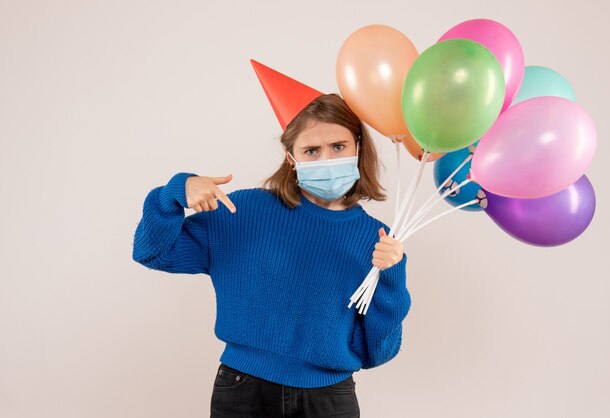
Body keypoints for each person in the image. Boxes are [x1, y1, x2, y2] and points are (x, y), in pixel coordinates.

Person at [132, 61, 411, 418]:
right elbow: (153, 252)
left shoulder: (377, 241)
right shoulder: (243, 212)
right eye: (312, 151)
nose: (327, 159)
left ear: (358, 146)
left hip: (329, 399)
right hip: (243, 390)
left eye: (339, 146)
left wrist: (391, 277)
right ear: (291, 158)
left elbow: (378, 351)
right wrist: (173, 193)